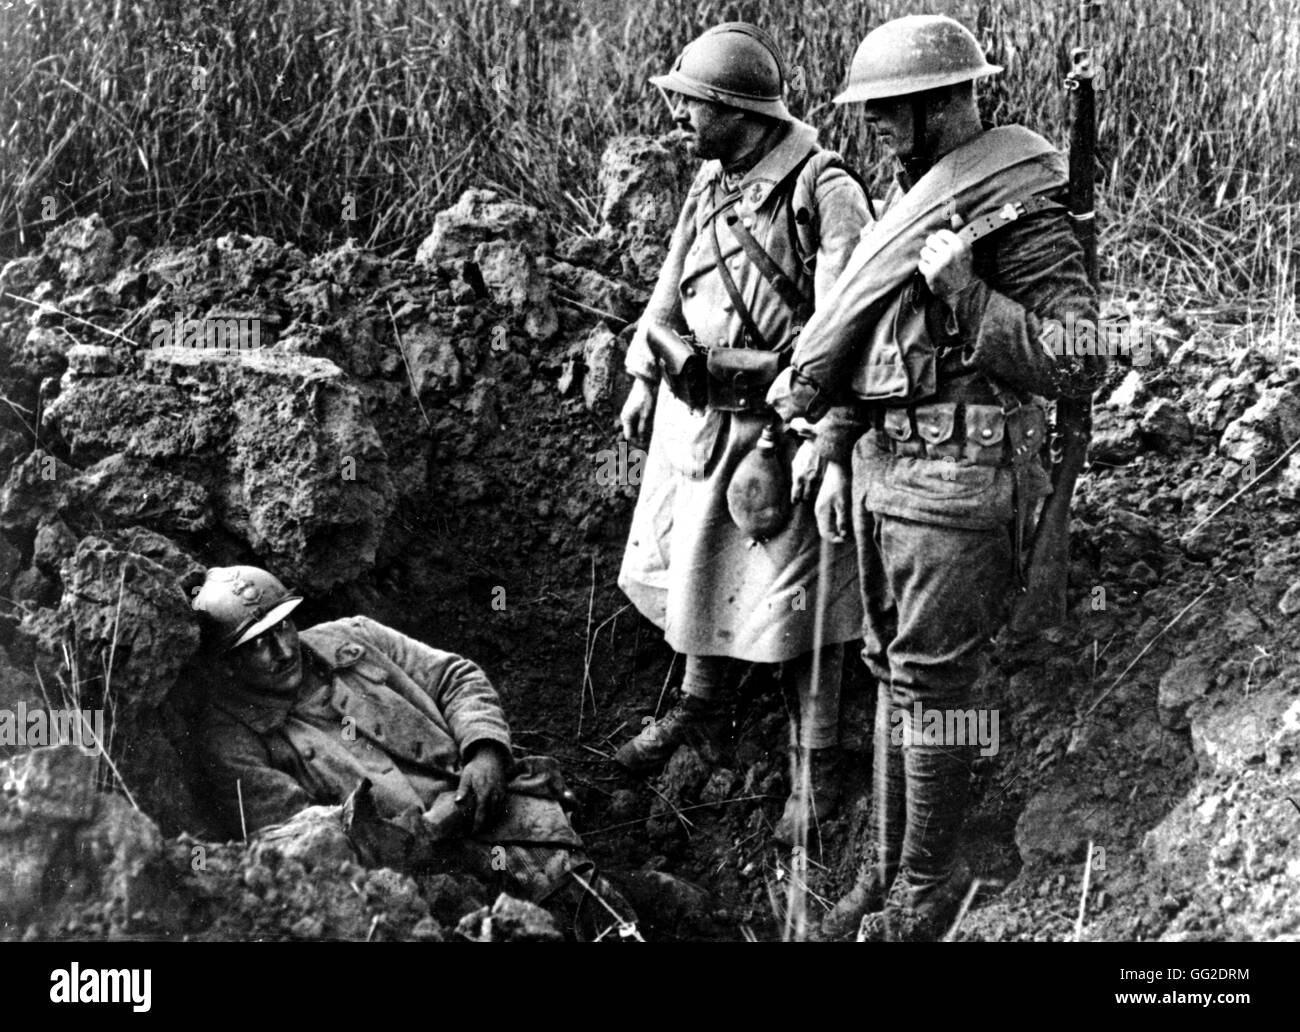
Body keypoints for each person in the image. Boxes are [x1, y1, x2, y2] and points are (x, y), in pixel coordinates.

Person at [766, 14, 1103, 939]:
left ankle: (929, 882)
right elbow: (873, 339)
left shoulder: (1019, 208)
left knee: (941, 691)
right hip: (888, 474)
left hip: (961, 483)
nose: (872, 124)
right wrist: (835, 440)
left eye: (888, 108)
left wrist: (969, 294)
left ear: (945, 104)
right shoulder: (910, 198)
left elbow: (1080, 355)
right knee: (894, 676)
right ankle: (884, 876)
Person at [614, 22, 871, 844]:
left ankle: (819, 761)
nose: (679, 119)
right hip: (697, 418)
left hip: (776, 432)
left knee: (800, 603)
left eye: (692, 105)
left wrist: (827, 440)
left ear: (738, 111)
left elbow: (846, 325)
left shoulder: (823, 190)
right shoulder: (711, 181)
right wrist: (644, 375)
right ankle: (700, 710)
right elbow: (670, 284)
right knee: (698, 565)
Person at [191, 564, 635, 939]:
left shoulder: (354, 637)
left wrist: (485, 753)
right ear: (227, 662)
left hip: (494, 815)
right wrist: (425, 833)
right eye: (257, 645)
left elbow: (455, 678)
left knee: (589, 908)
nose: (284, 649)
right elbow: (305, 847)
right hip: (407, 883)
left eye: (284, 625)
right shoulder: (232, 742)